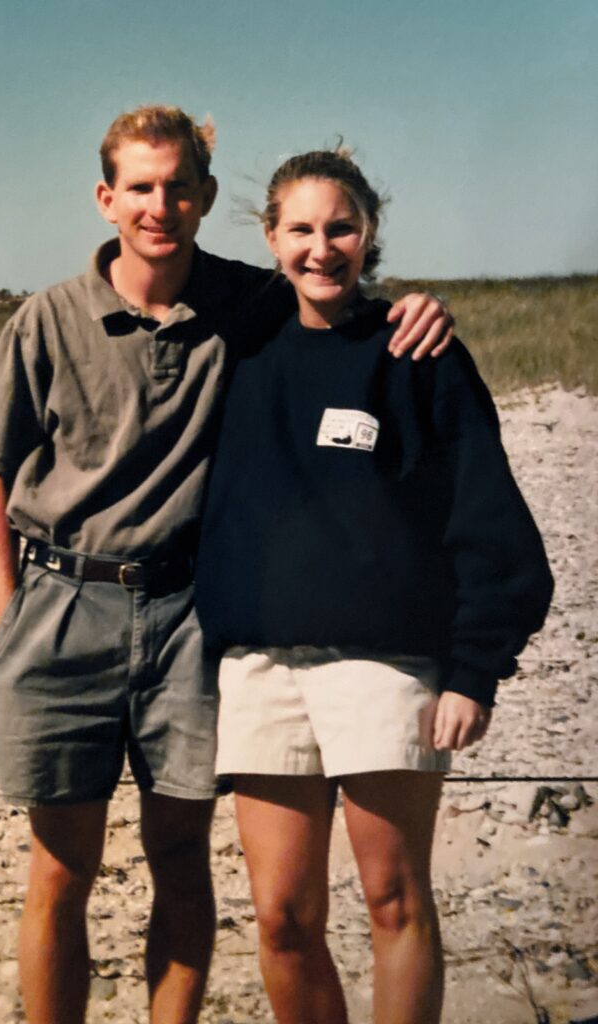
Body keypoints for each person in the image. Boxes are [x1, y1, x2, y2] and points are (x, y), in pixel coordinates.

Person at [0, 107, 454, 1024]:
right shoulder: (45, 319)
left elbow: (331, 292)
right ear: (106, 199)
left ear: (206, 197)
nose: (160, 205)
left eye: (178, 187)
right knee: (61, 870)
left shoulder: (242, 301)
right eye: (140, 188)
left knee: (181, 858)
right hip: (60, 605)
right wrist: (10, 618)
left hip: (190, 614)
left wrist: (419, 307)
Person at [195, 147, 554, 1024]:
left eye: (342, 227)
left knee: (395, 900)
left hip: (386, 667)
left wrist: (474, 671)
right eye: (302, 229)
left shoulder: (417, 350)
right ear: (271, 237)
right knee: (282, 918)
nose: (323, 248)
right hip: (256, 668)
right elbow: (154, 249)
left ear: (371, 235)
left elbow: (494, 526)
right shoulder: (235, 342)